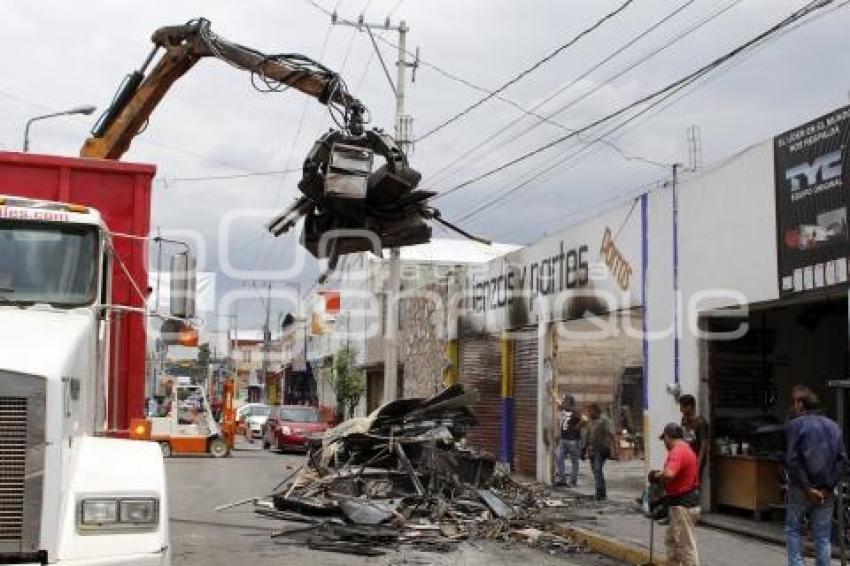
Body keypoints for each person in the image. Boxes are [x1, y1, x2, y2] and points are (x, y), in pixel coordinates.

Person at [784, 385, 847, 566]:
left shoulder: (796, 425)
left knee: (794, 530)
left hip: (801, 489)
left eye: (795, 402)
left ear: (800, 404)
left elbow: (793, 460)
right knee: (822, 537)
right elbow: (843, 462)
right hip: (825, 490)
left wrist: (807, 488)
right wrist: (827, 488)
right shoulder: (834, 426)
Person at [649, 423, 701, 566]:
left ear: (667, 436)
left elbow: (669, 474)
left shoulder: (677, 451)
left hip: (683, 505)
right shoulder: (686, 449)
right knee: (672, 542)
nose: (664, 443)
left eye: (664, 439)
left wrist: (656, 475)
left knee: (686, 546)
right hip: (680, 503)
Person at [583, 403, 618, 501]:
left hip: (601, 449)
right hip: (592, 450)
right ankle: (602, 493)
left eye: (590, 411)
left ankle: (599, 493)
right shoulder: (590, 422)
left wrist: (616, 449)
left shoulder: (605, 420)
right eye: (588, 411)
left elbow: (612, 434)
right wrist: (583, 449)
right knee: (595, 472)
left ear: (596, 411)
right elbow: (587, 436)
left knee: (598, 470)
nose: (589, 413)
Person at [554, 394, 582, 487]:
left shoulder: (575, 410)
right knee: (558, 457)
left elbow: (584, 420)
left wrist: (577, 427)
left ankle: (573, 481)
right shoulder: (564, 409)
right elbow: (559, 404)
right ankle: (562, 480)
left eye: (564, 400)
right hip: (563, 439)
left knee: (574, 461)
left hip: (573, 440)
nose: (563, 401)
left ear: (569, 401)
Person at [679, 394, 709, 478]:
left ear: (689, 407)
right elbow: (683, 438)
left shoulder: (701, 423)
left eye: (682, 407)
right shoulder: (684, 420)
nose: (681, 410)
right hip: (685, 460)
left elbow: (703, 447)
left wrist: (698, 466)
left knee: (693, 486)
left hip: (695, 461)